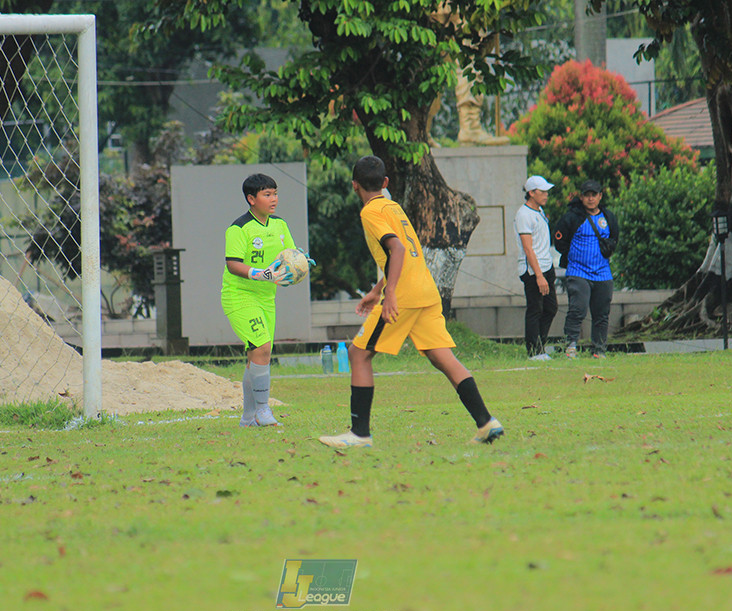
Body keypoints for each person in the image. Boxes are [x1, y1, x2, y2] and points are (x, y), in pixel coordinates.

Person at [318, 155, 503, 449]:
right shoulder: (394, 207)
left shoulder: (370, 212)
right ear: (386, 183)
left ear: (354, 185)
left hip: (404, 294)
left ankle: (359, 434)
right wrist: (378, 289)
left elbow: (397, 249)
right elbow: (403, 253)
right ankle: (486, 422)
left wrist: (389, 294)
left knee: (358, 354)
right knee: (442, 357)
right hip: (425, 291)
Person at [221, 173, 312, 427]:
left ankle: (248, 417)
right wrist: (259, 273)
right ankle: (263, 411)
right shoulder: (239, 228)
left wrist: (301, 262)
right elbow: (232, 265)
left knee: (257, 354)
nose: (274, 199)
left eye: (275, 193)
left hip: (266, 298)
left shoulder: (280, 225)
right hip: (239, 296)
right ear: (251, 199)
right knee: (262, 348)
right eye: (267, 194)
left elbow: (291, 256)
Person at [553, 179, 620, 359]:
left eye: (594, 195)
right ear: (581, 197)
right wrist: (573, 255)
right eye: (587, 196)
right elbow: (559, 241)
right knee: (578, 309)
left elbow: (615, 238)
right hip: (578, 271)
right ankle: (571, 345)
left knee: (602, 313)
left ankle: (598, 349)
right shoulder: (572, 217)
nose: (591, 199)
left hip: (603, 272)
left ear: (600, 196)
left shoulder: (608, 217)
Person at [514, 175, 558, 360]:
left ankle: (540, 346)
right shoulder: (524, 214)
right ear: (531, 193)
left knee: (551, 308)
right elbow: (528, 248)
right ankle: (534, 351)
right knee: (536, 309)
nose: (546, 195)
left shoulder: (539, 211)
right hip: (533, 270)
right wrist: (538, 276)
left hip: (546, 266)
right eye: (542, 192)